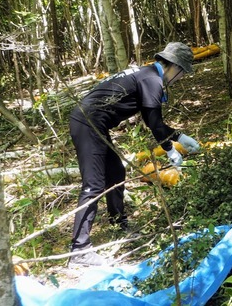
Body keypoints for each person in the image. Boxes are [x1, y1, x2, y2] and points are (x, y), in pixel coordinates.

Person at [68, 42, 200, 266]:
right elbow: (156, 125)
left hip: (92, 121)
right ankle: (79, 250)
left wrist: (177, 137)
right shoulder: (153, 79)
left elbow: (151, 120)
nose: (181, 78)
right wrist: (172, 148)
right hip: (88, 122)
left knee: (116, 172)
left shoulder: (147, 74)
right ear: (174, 66)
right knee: (94, 185)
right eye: (182, 72)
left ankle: (118, 223)